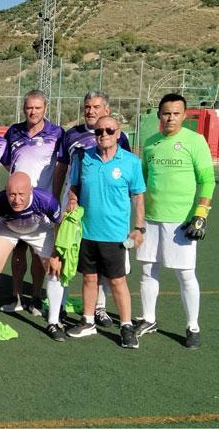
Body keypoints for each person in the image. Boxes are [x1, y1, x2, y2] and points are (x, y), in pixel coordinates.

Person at [135, 93, 214, 348]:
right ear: (159, 115)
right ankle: (148, 318)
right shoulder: (150, 143)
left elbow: (207, 180)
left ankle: (193, 326)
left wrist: (200, 214)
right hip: (151, 218)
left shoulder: (195, 141)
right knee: (148, 270)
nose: (170, 117)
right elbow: (143, 182)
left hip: (181, 220)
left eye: (176, 113)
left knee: (185, 274)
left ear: (184, 115)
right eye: (166, 113)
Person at [53, 91, 132, 328]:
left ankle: (100, 308)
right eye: (87, 106)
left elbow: (126, 171)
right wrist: (58, 199)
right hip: (75, 208)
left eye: (96, 106)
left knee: (107, 263)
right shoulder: (71, 135)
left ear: (106, 110)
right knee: (68, 253)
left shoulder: (120, 136)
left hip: (108, 213)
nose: (91, 111)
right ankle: (59, 307)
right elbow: (61, 168)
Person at [64, 116, 144, 348]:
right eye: (99, 131)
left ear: (118, 133)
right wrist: (71, 199)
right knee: (89, 278)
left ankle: (127, 326)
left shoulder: (131, 162)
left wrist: (139, 229)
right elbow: (75, 187)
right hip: (87, 232)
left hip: (115, 235)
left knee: (118, 281)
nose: (104, 135)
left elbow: (138, 197)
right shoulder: (84, 157)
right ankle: (88, 321)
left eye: (109, 130)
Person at [0, 172, 66, 341]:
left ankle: (53, 322)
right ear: (6, 191)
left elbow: (60, 223)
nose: (16, 199)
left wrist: (57, 253)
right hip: (8, 229)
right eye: (12, 194)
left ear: (31, 190)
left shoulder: (46, 200)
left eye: (21, 194)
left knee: (54, 270)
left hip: (39, 230)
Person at [0, 90, 64, 317]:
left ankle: (36, 297)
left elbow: (61, 165)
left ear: (45, 108)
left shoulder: (57, 133)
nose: (33, 111)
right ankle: (16, 296)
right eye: (29, 107)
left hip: (43, 204)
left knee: (39, 254)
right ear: (23, 108)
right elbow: (7, 162)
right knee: (18, 252)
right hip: (16, 203)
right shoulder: (14, 132)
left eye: (37, 107)